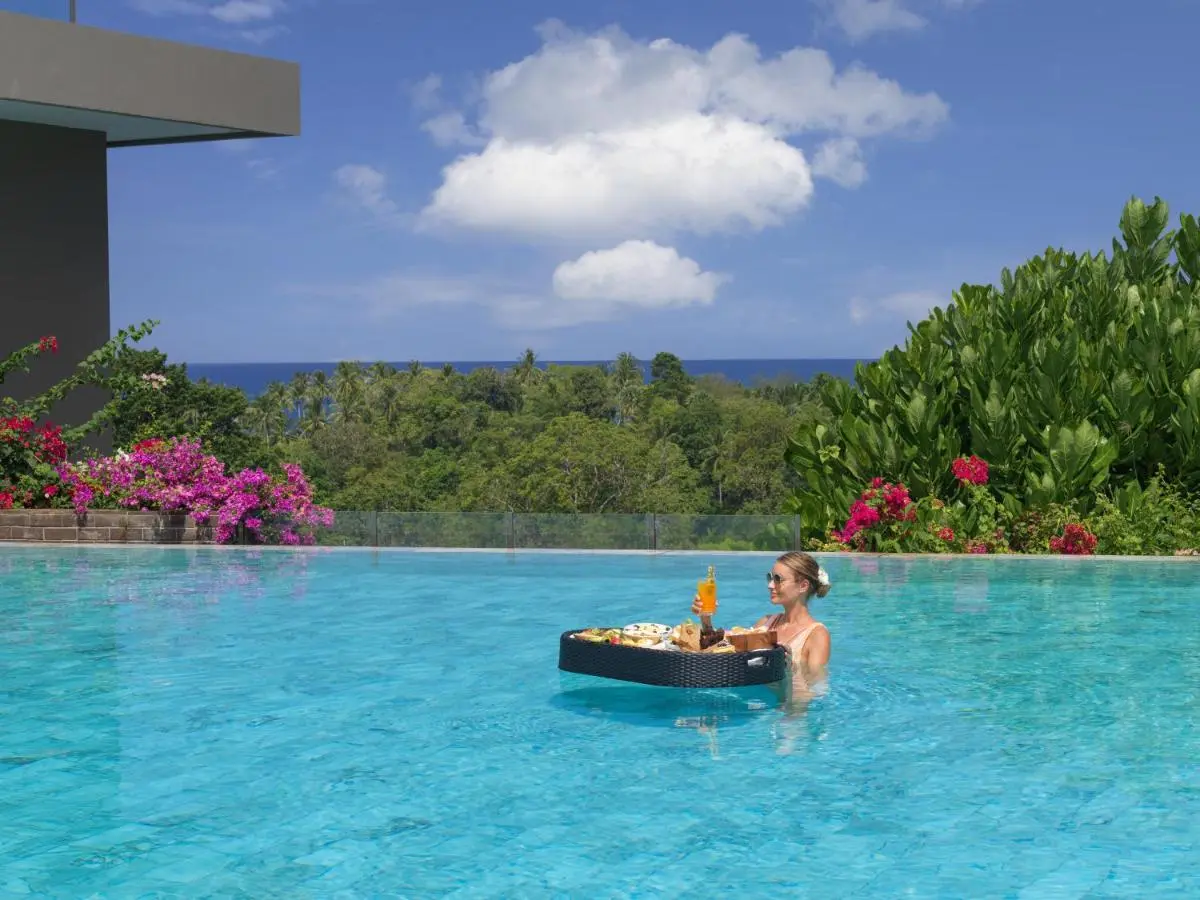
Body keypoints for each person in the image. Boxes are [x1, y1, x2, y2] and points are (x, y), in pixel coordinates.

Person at [692, 550, 831, 674]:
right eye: (770, 578)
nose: (770, 585)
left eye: (778, 579)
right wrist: (705, 618)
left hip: (786, 702)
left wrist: (789, 670)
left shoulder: (817, 635)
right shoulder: (766, 623)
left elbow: (815, 688)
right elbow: (722, 650)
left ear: (803, 586)